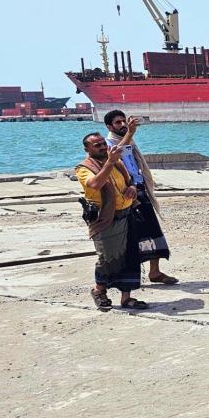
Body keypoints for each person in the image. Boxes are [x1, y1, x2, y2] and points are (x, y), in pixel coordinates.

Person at [104, 110, 178, 286]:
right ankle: (127, 277)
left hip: (139, 189)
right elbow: (116, 154)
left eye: (124, 121)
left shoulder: (130, 141)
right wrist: (129, 133)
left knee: (153, 230)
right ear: (109, 126)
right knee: (131, 236)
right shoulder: (108, 144)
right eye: (117, 123)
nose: (122, 125)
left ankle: (155, 272)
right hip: (126, 194)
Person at [76, 131, 146, 311]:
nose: (102, 146)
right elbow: (95, 184)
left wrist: (130, 188)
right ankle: (99, 290)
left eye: (102, 143)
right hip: (106, 220)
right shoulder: (84, 168)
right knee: (108, 258)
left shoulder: (118, 163)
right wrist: (110, 162)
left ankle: (126, 298)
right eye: (96, 145)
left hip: (126, 214)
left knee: (130, 257)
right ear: (87, 149)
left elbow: (129, 181)